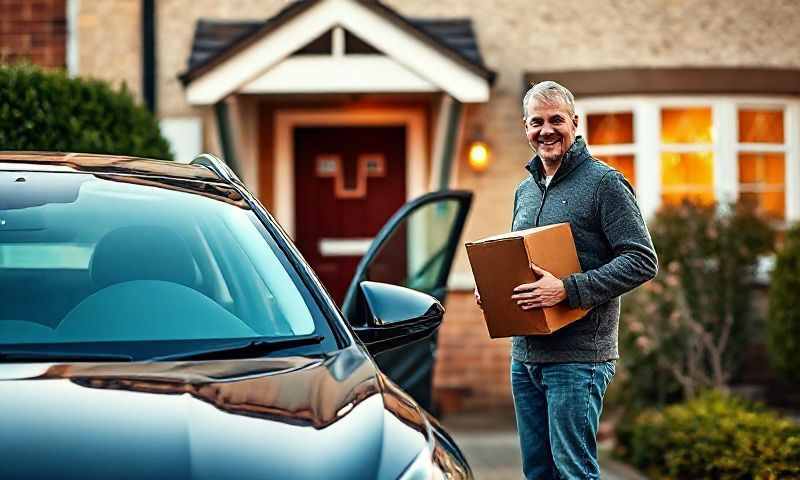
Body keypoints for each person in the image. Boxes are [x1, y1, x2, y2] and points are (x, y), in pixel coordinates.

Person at [475, 81, 658, 479]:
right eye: (536, 122)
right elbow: (521, 259)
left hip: (578, 358)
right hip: (525, 358)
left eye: (556, 119)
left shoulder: (605, 183)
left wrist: (567, 289)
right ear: (526, 128)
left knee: (574, 471)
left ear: (575, 122)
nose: (546, 130)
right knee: (538, 472)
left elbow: (642, 260)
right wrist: (494, 289)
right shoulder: (525, 190)